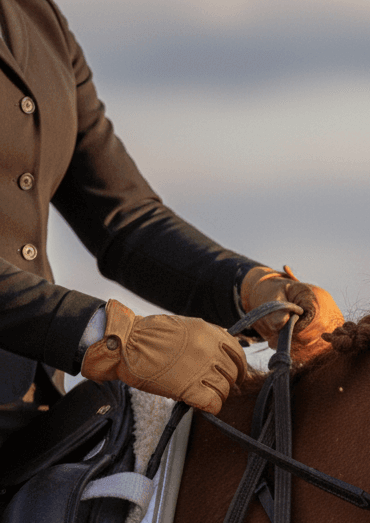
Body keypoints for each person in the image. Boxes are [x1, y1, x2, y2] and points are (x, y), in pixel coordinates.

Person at [0, 0, 344, 442]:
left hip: (38, 415)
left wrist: (252, 290)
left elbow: (125, 219)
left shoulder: (38, 18)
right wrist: (111, 337)